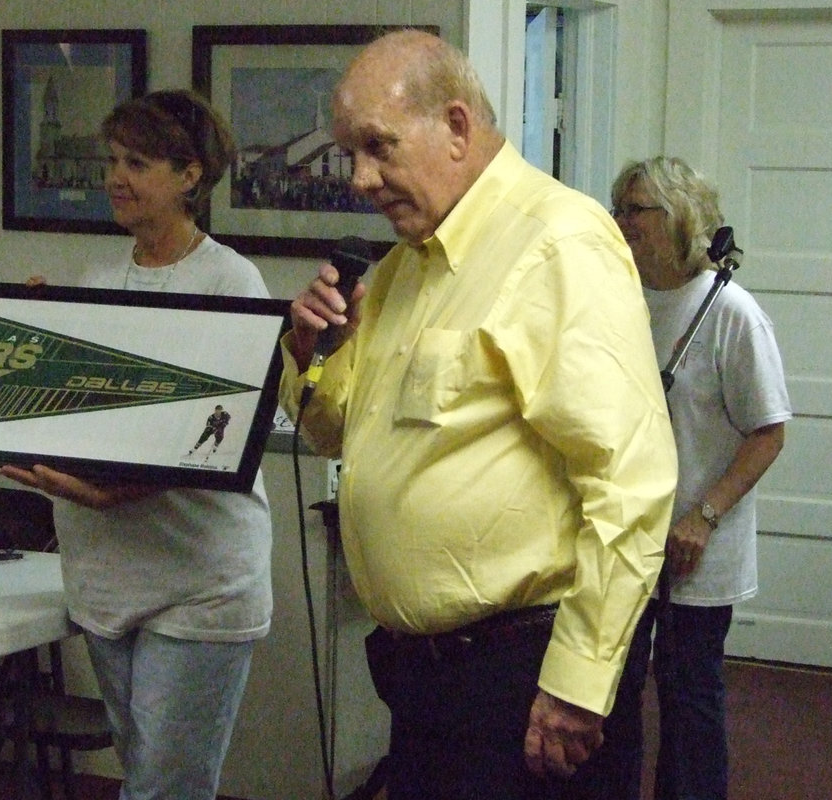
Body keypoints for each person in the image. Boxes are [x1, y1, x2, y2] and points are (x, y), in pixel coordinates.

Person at [279, 30, 678, 799]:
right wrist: (311, 354)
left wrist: (578, 684)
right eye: (349, 153)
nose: (360, 179)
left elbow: (632, 480)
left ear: (457, 126)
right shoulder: (402, 269)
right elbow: (338, 434)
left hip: (524, 679)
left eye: (378, 147)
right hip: (426, 683)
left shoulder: (557, 242)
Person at [3, 89, 273, 800]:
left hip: (199, 581)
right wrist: (37, 347)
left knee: (162, 791)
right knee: (147, 779)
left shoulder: (230, 281)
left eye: (138, 164)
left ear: (190, 176)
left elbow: (217, 431)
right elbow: (90, 423)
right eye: (113, 161)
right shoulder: (100, 283)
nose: (116, 178)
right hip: (107, 579)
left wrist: (110, 492)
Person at [610, 157, 791, 800]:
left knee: (688, 699)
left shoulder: (730, 311)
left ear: (680, 217)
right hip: (625, 539)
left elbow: (768, 432)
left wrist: (704, 516)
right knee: (611, 694)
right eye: (619, 208)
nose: (622, 222)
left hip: (696, 545)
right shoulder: (620, 300)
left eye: (636, 210)